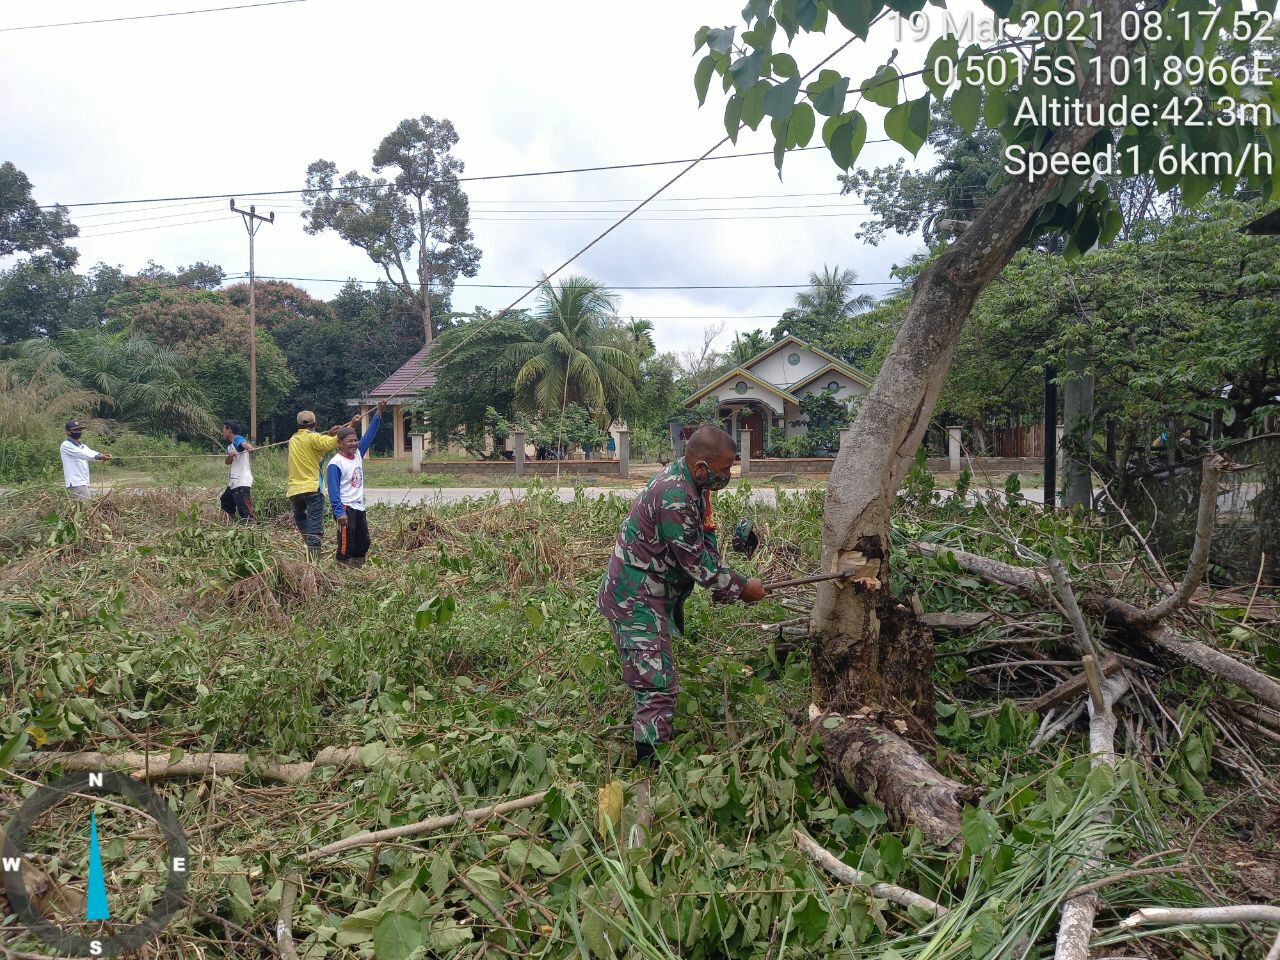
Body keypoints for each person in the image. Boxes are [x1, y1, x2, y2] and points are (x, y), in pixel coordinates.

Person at [597, 425, 765, 767]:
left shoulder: (697, 487)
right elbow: (694, 559)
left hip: (651, 593)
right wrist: (741, 586)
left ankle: (652, 752)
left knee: (655, 675)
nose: (728, 475)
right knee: (657, 684)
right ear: (702, 467)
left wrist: (722, 582)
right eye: (725, 469)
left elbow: (705, 537)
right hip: (635, 598)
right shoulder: (673, 494)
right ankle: (650, 765)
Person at [287, 409, 353, 562]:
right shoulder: (314, 438)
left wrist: (328, 434)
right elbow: (333, 442)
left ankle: (310, 547)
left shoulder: (293, 439)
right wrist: (351, 425)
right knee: (315, 528)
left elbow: (317, 443)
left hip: (294, 491)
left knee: (302, 520)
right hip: (312, 489)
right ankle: (314, 565)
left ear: (298, 426)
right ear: (315, 424)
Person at [326, 400, 385, 566]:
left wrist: (378, 413)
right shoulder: (335, 463)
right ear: (340, 444)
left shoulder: (358, 453)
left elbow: (370, 435)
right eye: (349, 441)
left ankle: (357, 569)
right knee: (346, 545)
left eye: (355, 440)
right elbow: (333, 491)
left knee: (363, 542)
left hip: (359, 507)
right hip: (345, 508)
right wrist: (339, 513)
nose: (354, 443)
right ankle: (342, 571)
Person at [60, 420, 112, 500]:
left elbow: (89, 452)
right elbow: (83, 454)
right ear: (68, 432)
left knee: (84, 509)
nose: (78, 432)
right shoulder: (66, 445)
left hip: (83, 482)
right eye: (75, 430)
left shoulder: (82, 446)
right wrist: (99, 457)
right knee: (86, 509)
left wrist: (101, 455)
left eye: (79, 430)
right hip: (76, 483)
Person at [219, 420, 256, 523]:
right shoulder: (230, 446)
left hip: (241, 483)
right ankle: (229, 526)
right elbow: (227, 462)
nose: (223, 432)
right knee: (225, 500)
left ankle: (252, 531)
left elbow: (244, 444)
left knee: (246, 512)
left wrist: (250, 448)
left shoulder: (238, 439)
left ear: (229, 430)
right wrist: (230, 456)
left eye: (223, 429)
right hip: (233, 483)